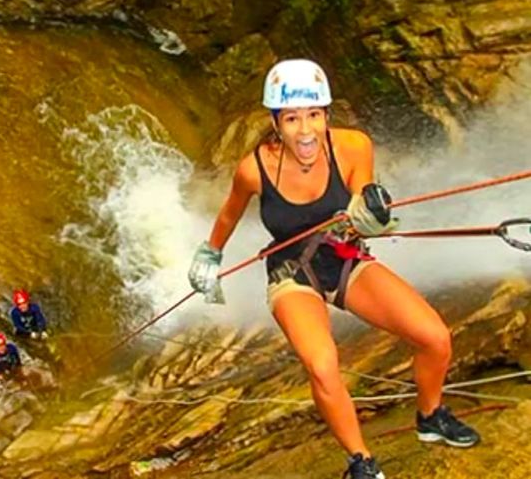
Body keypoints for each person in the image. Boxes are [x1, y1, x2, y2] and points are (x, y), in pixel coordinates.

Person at [187, 59, 480, 478]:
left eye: (314, 116)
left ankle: (431, 417)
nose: (305, 131)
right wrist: (210, 254)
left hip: (345, 258)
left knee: (434, 337)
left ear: (326, 114)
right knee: (323, 364)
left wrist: (372, 213)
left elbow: (363, 196)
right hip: (292, 274)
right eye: (292, 119)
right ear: (275, 121)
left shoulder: (353, 146)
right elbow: (230, 214)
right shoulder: (254, 169)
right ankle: (361, 462)